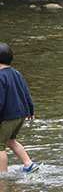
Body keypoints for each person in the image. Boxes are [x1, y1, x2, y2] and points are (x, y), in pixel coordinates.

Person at [0, 43, 39, 173]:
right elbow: (26, 93)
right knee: (10, 141)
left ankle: (3, 174)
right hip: (21, 115)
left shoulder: (0, 76)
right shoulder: (17, 73)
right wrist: (31, 110)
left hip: (8, 117)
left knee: (0, 147)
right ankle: (29, 164)